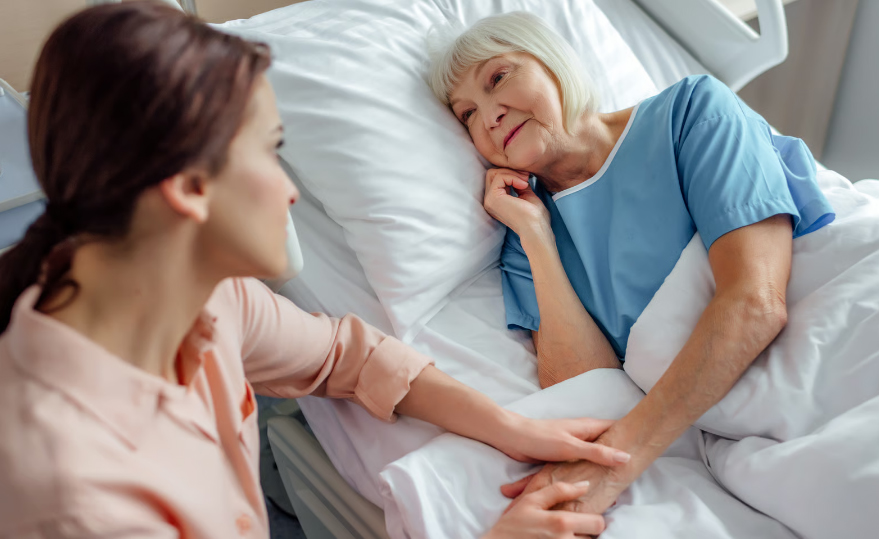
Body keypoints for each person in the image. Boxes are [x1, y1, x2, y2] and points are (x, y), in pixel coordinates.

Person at [0, 4, 628, 538]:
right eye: (270, 153)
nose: (290, 191)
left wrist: (512, 427)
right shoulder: (78, 496)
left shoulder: (209, 302)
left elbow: (346, 358)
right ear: (190, 189)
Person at [427, 11, 835, 520]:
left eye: (498, 78)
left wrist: (617, 464)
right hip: (727, 423)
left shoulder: (690, 114)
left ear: (552, 62)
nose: (489, 116)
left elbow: (757, 303)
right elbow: (586, 387)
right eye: (467, 114)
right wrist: (537, 237)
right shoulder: (524, 239)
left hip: (827, 341)